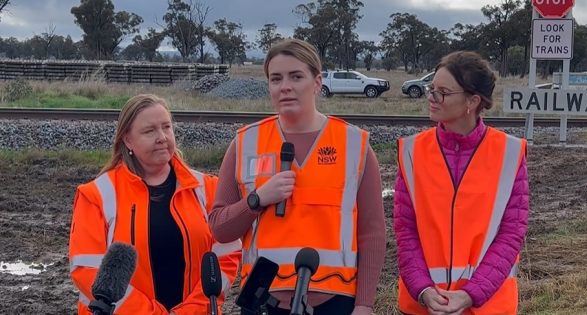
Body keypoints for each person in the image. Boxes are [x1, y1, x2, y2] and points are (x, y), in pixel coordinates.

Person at [208, 39, 386, 315]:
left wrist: (364, 304)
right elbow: (220, 228)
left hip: (336, 302)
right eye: (276, 78)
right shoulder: (245, 143)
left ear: (317, 82)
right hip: (263, 300)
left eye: (296, 76)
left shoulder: (354, 145)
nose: (285, 86)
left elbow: (372, 232)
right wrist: (257, 200)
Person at [68, 94, 241, 314]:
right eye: (149, 131)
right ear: (127, 140)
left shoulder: (207, 188)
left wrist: (192, 310)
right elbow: (87, 272)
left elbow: (226, 257)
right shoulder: (96, 195)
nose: (162, 137)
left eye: (166, 127)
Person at [394, 51, 529, 315]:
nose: (432, 98)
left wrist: (470, 294)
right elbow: (405, 230)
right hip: (422, 305)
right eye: (431, 89)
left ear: (473, 101)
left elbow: (511, 234)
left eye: (442, 92)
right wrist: (422, 289)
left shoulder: (510, 153)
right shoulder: (411, 151)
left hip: (486, 306)